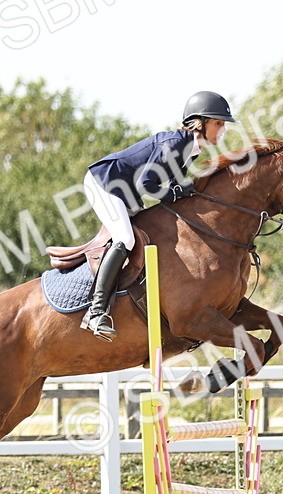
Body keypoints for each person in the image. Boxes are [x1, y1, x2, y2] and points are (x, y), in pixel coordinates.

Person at [79, 90, 236, 340]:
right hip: (104, 183)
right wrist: (179, 190)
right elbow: (147, 184)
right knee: (126, 239)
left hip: (125, 190)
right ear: (200, 123)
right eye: (218, 123)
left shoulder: (190, 149)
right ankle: (96, 312)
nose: (223, 130)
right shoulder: (176, 144)